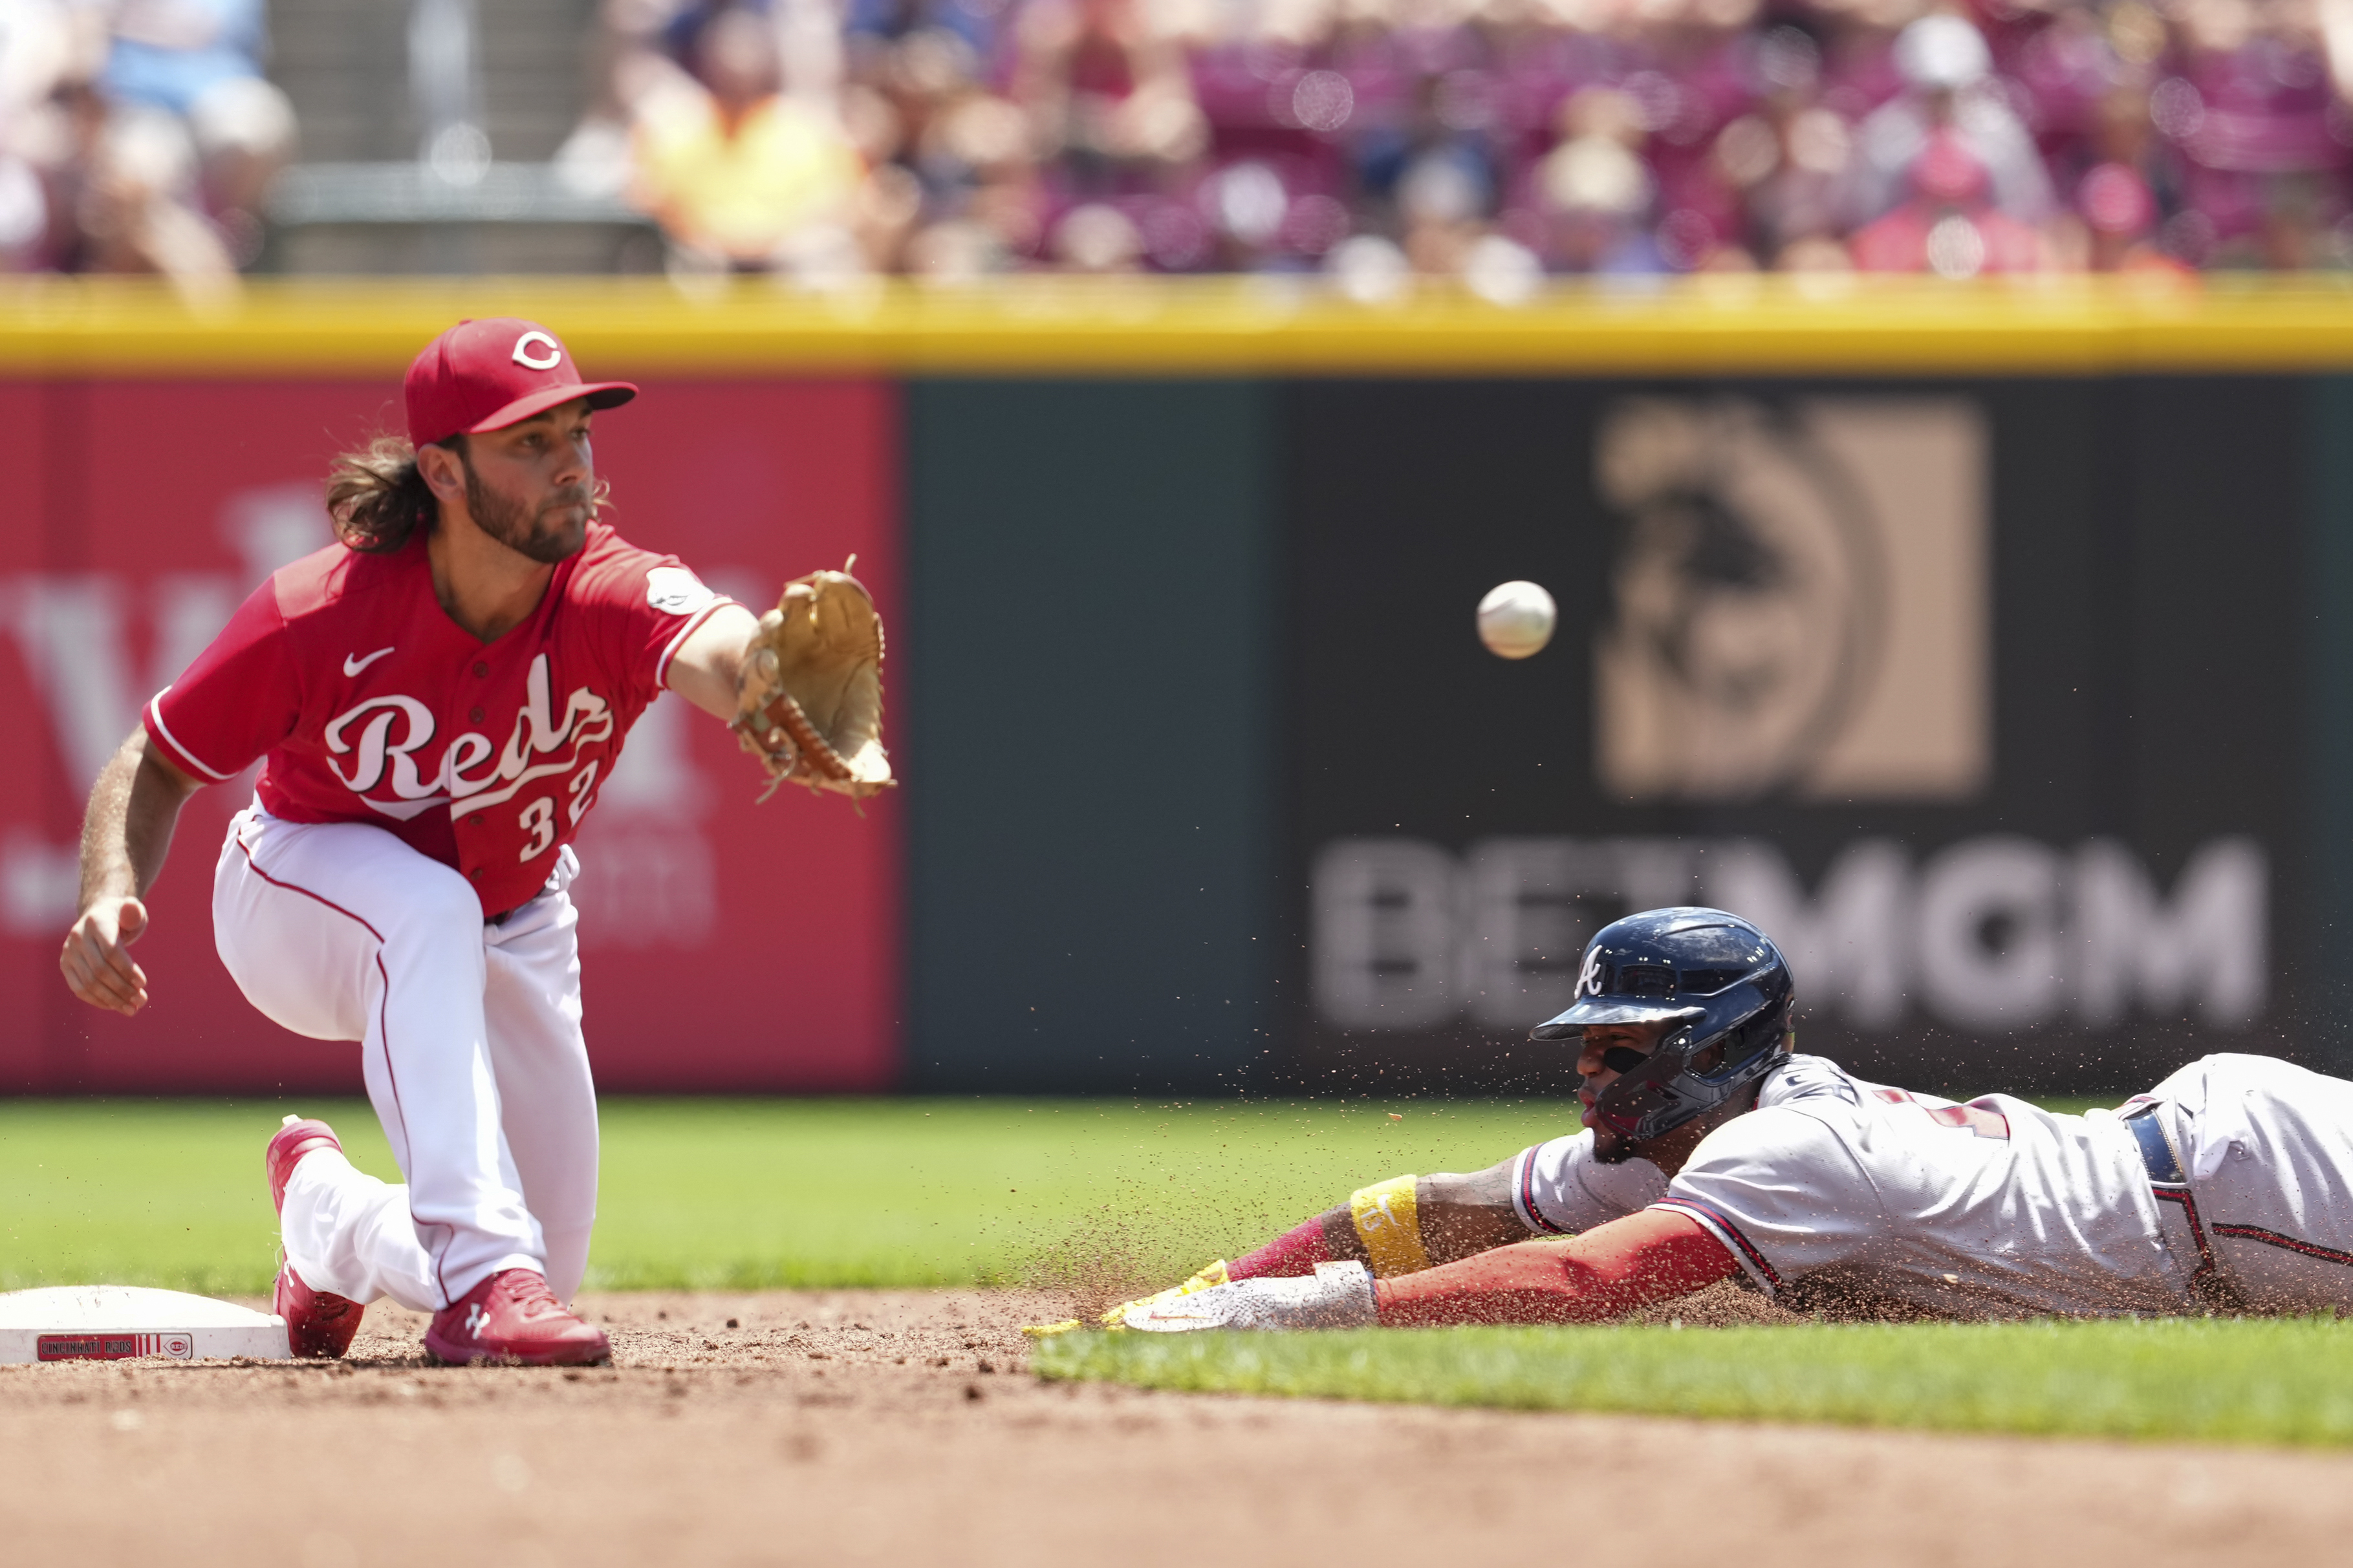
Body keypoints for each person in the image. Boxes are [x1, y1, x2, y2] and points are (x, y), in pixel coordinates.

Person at [56, 317, 783, 1366]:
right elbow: (157, 757)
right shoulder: (320, 609)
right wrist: (108, 887)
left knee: (548, 1254)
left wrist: (773, 679)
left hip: (515, 917)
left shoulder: (605, 583)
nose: (568, 466)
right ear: (442, 469)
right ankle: (485, 1280)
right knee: (427, 913)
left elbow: (715, 641)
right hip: (294, 895)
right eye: (527, 444)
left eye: (574, 434)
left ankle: (332, 1222)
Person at [1096, 907, 2353, 1334]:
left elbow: (1593, 1281)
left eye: (1625, 1044)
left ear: (1716, 1048)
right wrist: (1211, 1285)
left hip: (2251, 1191)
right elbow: (1437, 1213)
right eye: (1589, 1043)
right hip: (2205, 1164)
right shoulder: (1672, 1144)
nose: (1593, 1071)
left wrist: (1311, 1310)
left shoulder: (1783, 1147)